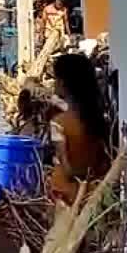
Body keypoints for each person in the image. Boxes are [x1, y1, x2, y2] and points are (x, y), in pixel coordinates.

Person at [48, 54, 110, 205]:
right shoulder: (99, 119)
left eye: (55, 79)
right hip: (93, 195)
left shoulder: (58, 123)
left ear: (62, 83)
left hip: (64, 197)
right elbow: (103, 164)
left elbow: (68, 170)